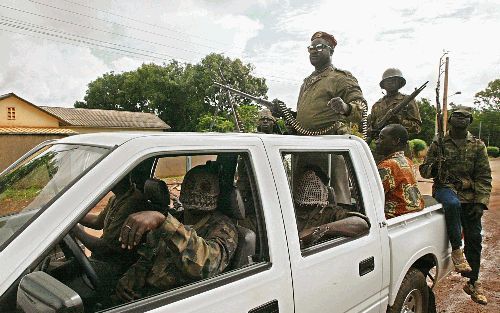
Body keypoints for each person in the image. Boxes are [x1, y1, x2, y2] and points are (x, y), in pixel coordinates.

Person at [114, 163, 238, 302]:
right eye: (191, 186)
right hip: (148, 297)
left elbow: (207, 265)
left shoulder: (224, 228)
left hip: (181, 301)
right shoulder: (177, 218)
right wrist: (129, 280)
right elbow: (149, 257)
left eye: (203, 188)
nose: (196, 192)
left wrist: (164, 223)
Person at [419, 106, 492, 305]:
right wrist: (435, 164)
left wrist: (481, 202)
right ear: (450, 120)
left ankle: (473, 282)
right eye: (457, 116)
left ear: (470, 122)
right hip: (446, 188)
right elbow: (425, 171)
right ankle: (456, 252)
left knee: (475, 239)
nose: (461, 120)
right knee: (451, 204)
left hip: (470, 196)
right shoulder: (439, 142)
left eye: (465, 117)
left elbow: (484, 176)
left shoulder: (477, 145)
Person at [72, 174, 147, 293]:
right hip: (104, 261)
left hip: (115, 266)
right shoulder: (117, 198)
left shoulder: (133, 202)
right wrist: (72, 217)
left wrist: (74, 230)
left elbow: (103, 248)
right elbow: (97, 222)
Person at [295, 31, 367, 136]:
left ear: (331, 51)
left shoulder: (341, 78)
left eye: (319, 47)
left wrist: (346, 108)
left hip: (330, 144)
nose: (314, 51)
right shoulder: (307, 81)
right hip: (304, 141)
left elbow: (362, 109)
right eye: (311, 48)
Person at [293, 167, 369, 248]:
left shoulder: (330, 212)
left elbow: (362, 223)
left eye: (308, 207)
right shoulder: (290, 209)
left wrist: (317, 230)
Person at [375, 124, 424, 219]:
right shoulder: (407, 161)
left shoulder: (388, 166)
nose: (377, 142)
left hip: (393, 218)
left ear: (395, 141)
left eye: (381, 138)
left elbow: (371, 196)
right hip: (410, 217)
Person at [369, 68, 422, 136]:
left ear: (399, 82)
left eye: (394, 80)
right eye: (387, 80)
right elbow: (370, 128)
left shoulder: (408, 100)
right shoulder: (376, 105)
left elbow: (417, 128)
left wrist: (400, 121)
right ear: (383, 84)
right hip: (380, 143)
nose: (390, 82)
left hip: (399, 144)